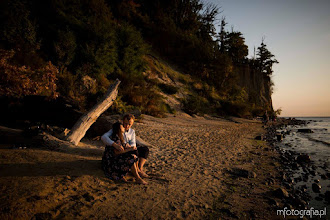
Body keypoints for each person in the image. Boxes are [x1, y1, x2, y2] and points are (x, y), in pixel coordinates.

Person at [101, 114, 150, 180]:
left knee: (144, 149)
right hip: (120, 149)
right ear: (123, 121)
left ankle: (140, 169)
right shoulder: (117, 129)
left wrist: (130, 146)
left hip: (127, 148)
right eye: (126, 123)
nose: (127, 126)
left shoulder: (132, 131)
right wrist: (114, 144)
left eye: (129, 124)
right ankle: (136, 171)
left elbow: (133, 143)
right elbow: (104, 137)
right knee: (132, 154)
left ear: (132, 124)